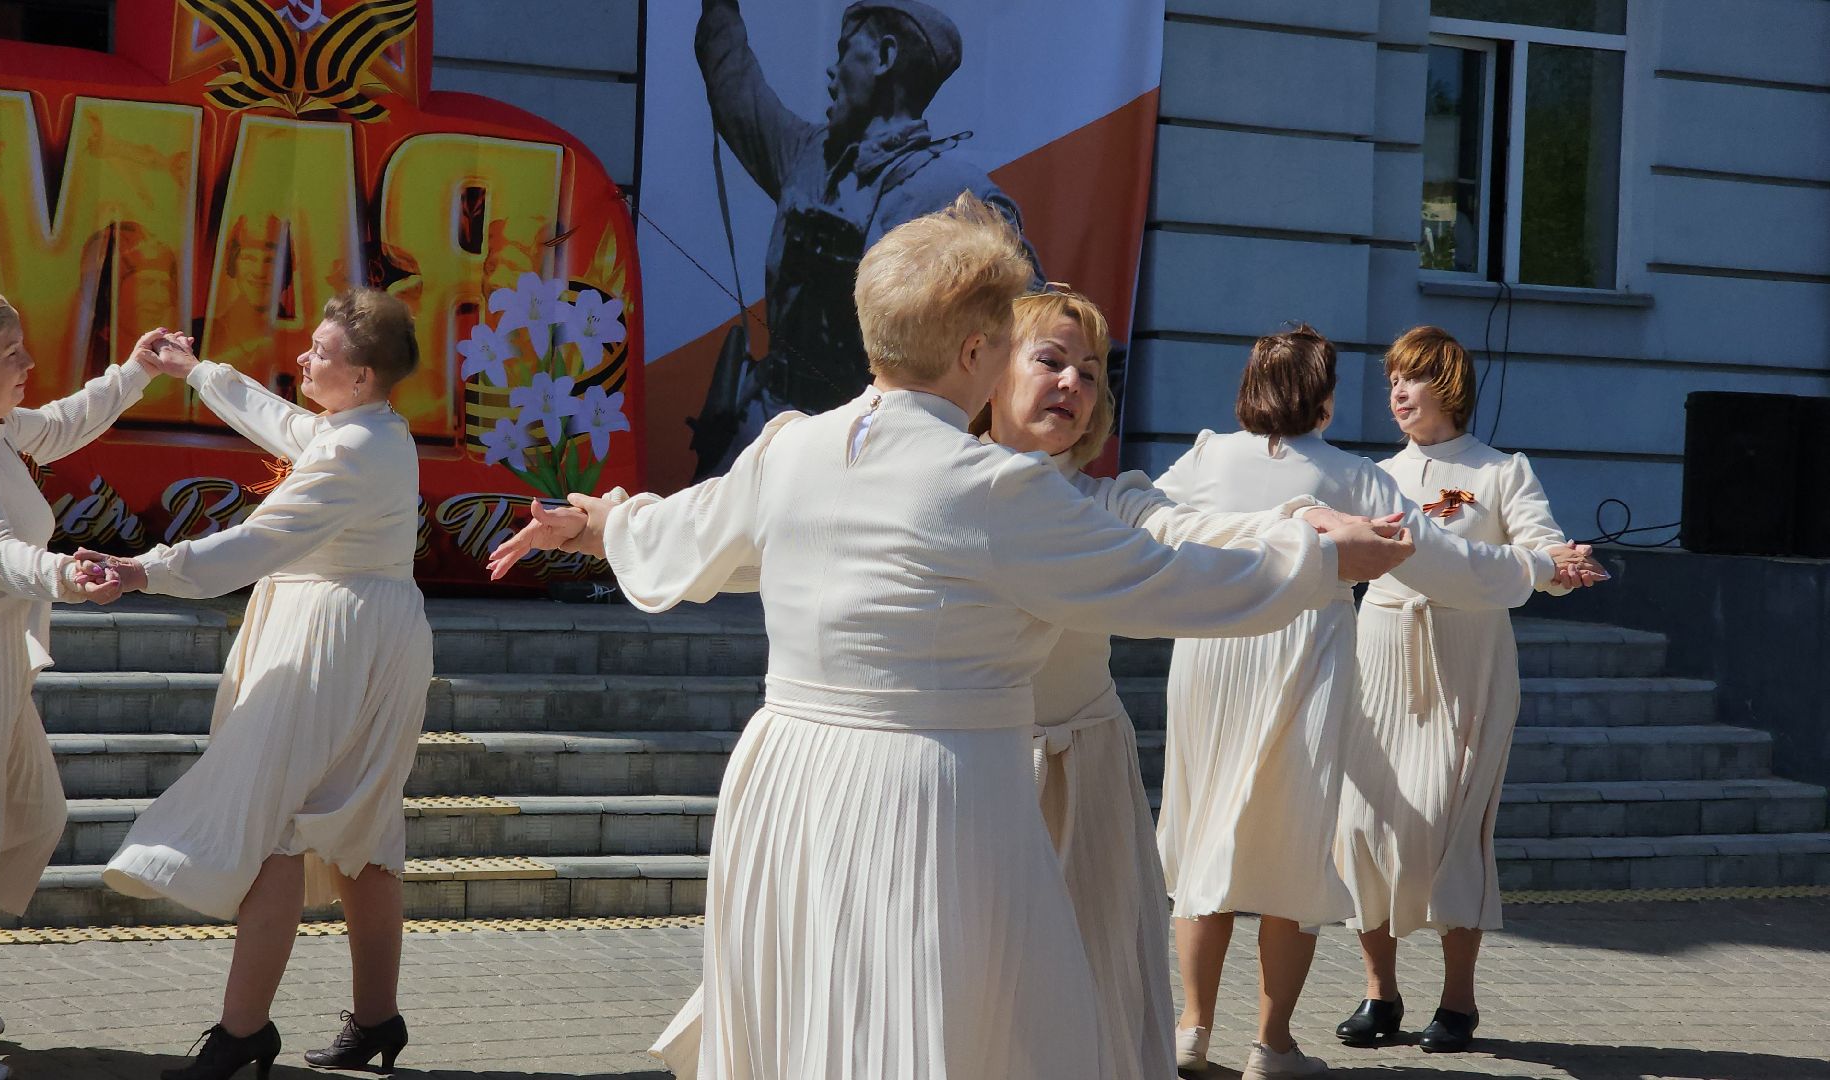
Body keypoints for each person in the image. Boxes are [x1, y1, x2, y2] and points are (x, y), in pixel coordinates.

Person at [494, 194, 1413, 1080]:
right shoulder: (991, 487)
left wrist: (602, 525)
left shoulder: (793, 446)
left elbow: (689, 534)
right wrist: (1323, 561)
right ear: (976, 351)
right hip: (927, 787)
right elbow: (1165, 581)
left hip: (787, 777)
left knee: (823, 1014)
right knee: (961, 1021)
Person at [1152, 325, 1600, 1079]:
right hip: (1302, 658)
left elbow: (1143, 519)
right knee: (1296, 849)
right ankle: (1273, 1045)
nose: (1394, 392)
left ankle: (1191, 1031)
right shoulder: (1356, 477)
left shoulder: (1205, 457)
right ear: (1325, 402)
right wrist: (1533, 567)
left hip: (1213, 653)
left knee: (1207, 840)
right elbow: (1441, 559)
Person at [84, 289, 431, 1080]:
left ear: (362, 375)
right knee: (366, 832)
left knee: (278, 826)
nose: (304, 357)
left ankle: (243, 1032)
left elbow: (258, 541)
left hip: (335, 639)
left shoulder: (353, 450)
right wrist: (199, 372)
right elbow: (285, 423)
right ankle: (377, 1018)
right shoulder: (373, 430)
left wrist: (142, 570)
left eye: (321, 351)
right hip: (373, 631)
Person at [0, 290, 161, 1080]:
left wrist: (135, 371)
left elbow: (59, 425)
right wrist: (68, 575)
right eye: (10, 353)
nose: (28, 362)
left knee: (32, 818)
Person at [1333, 326, 1602, 1055]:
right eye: (1392, 379)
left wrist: (1563, 566)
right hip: (1381, 650)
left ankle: (1458, 1002)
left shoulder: (1501, 471)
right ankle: (1380, 993)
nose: (1398, 391)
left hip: (1468, 657)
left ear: (1448, 385)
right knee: (1363, 823)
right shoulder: (1374, 474)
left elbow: (1540, 550)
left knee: (1451, 826)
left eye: (1412, 378)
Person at [690, 0, 1041, 475]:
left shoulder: (956, 195)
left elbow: (1035, 321)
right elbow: (734, 83)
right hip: (765, 435)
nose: (832, 72)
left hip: (869, 452)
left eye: (844, 51)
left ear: (884, 56)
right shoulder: (807, 156)